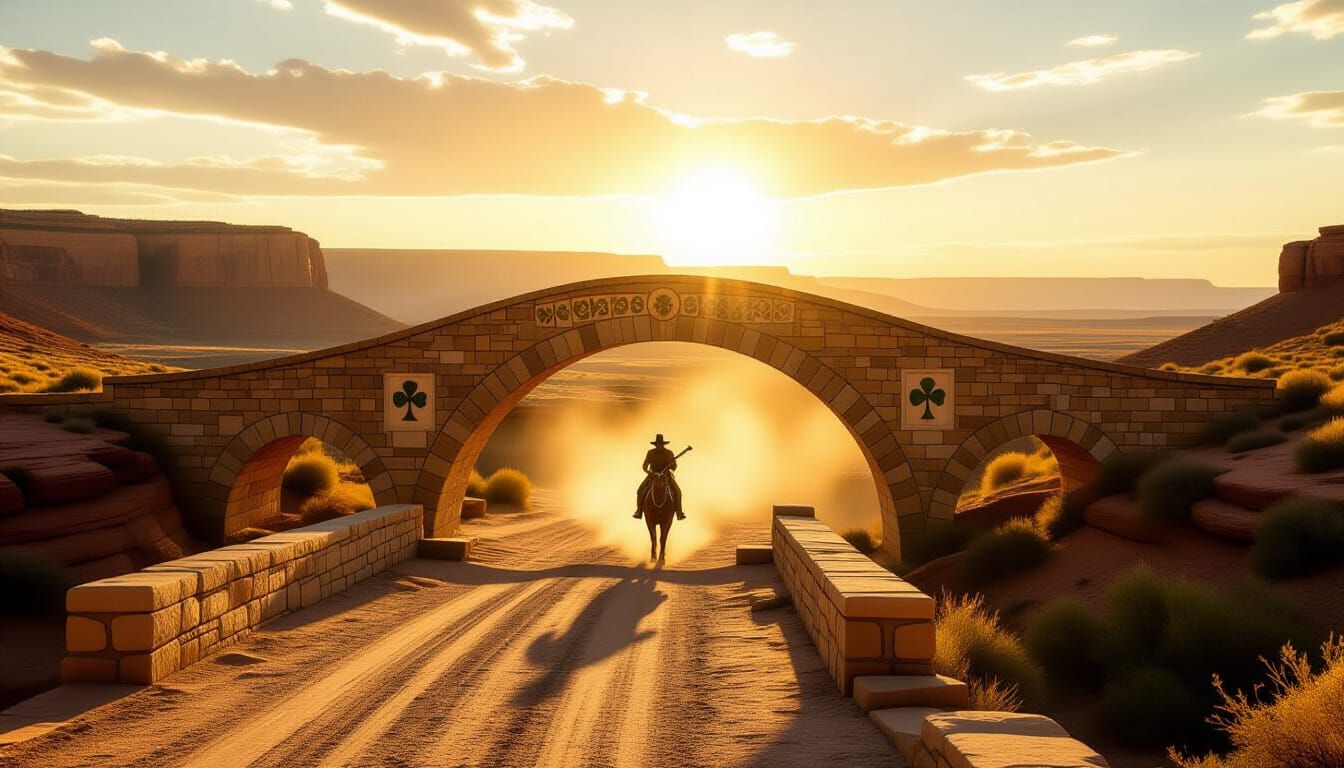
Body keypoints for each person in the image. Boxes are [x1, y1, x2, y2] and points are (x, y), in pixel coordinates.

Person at [633, 434, 684, 520]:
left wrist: (672, 464)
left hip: (666, 476)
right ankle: (639, 511)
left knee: (677, 491)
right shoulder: (650, 453)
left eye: (660, 444)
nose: (659, 446)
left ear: (663, 444)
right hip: (653, 476)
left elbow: (674, 467)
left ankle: (679, 513)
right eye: (657, 444)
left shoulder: (669, 453)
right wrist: (650, 473)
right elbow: (644, 466)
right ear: (655, 445)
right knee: (640, 490)